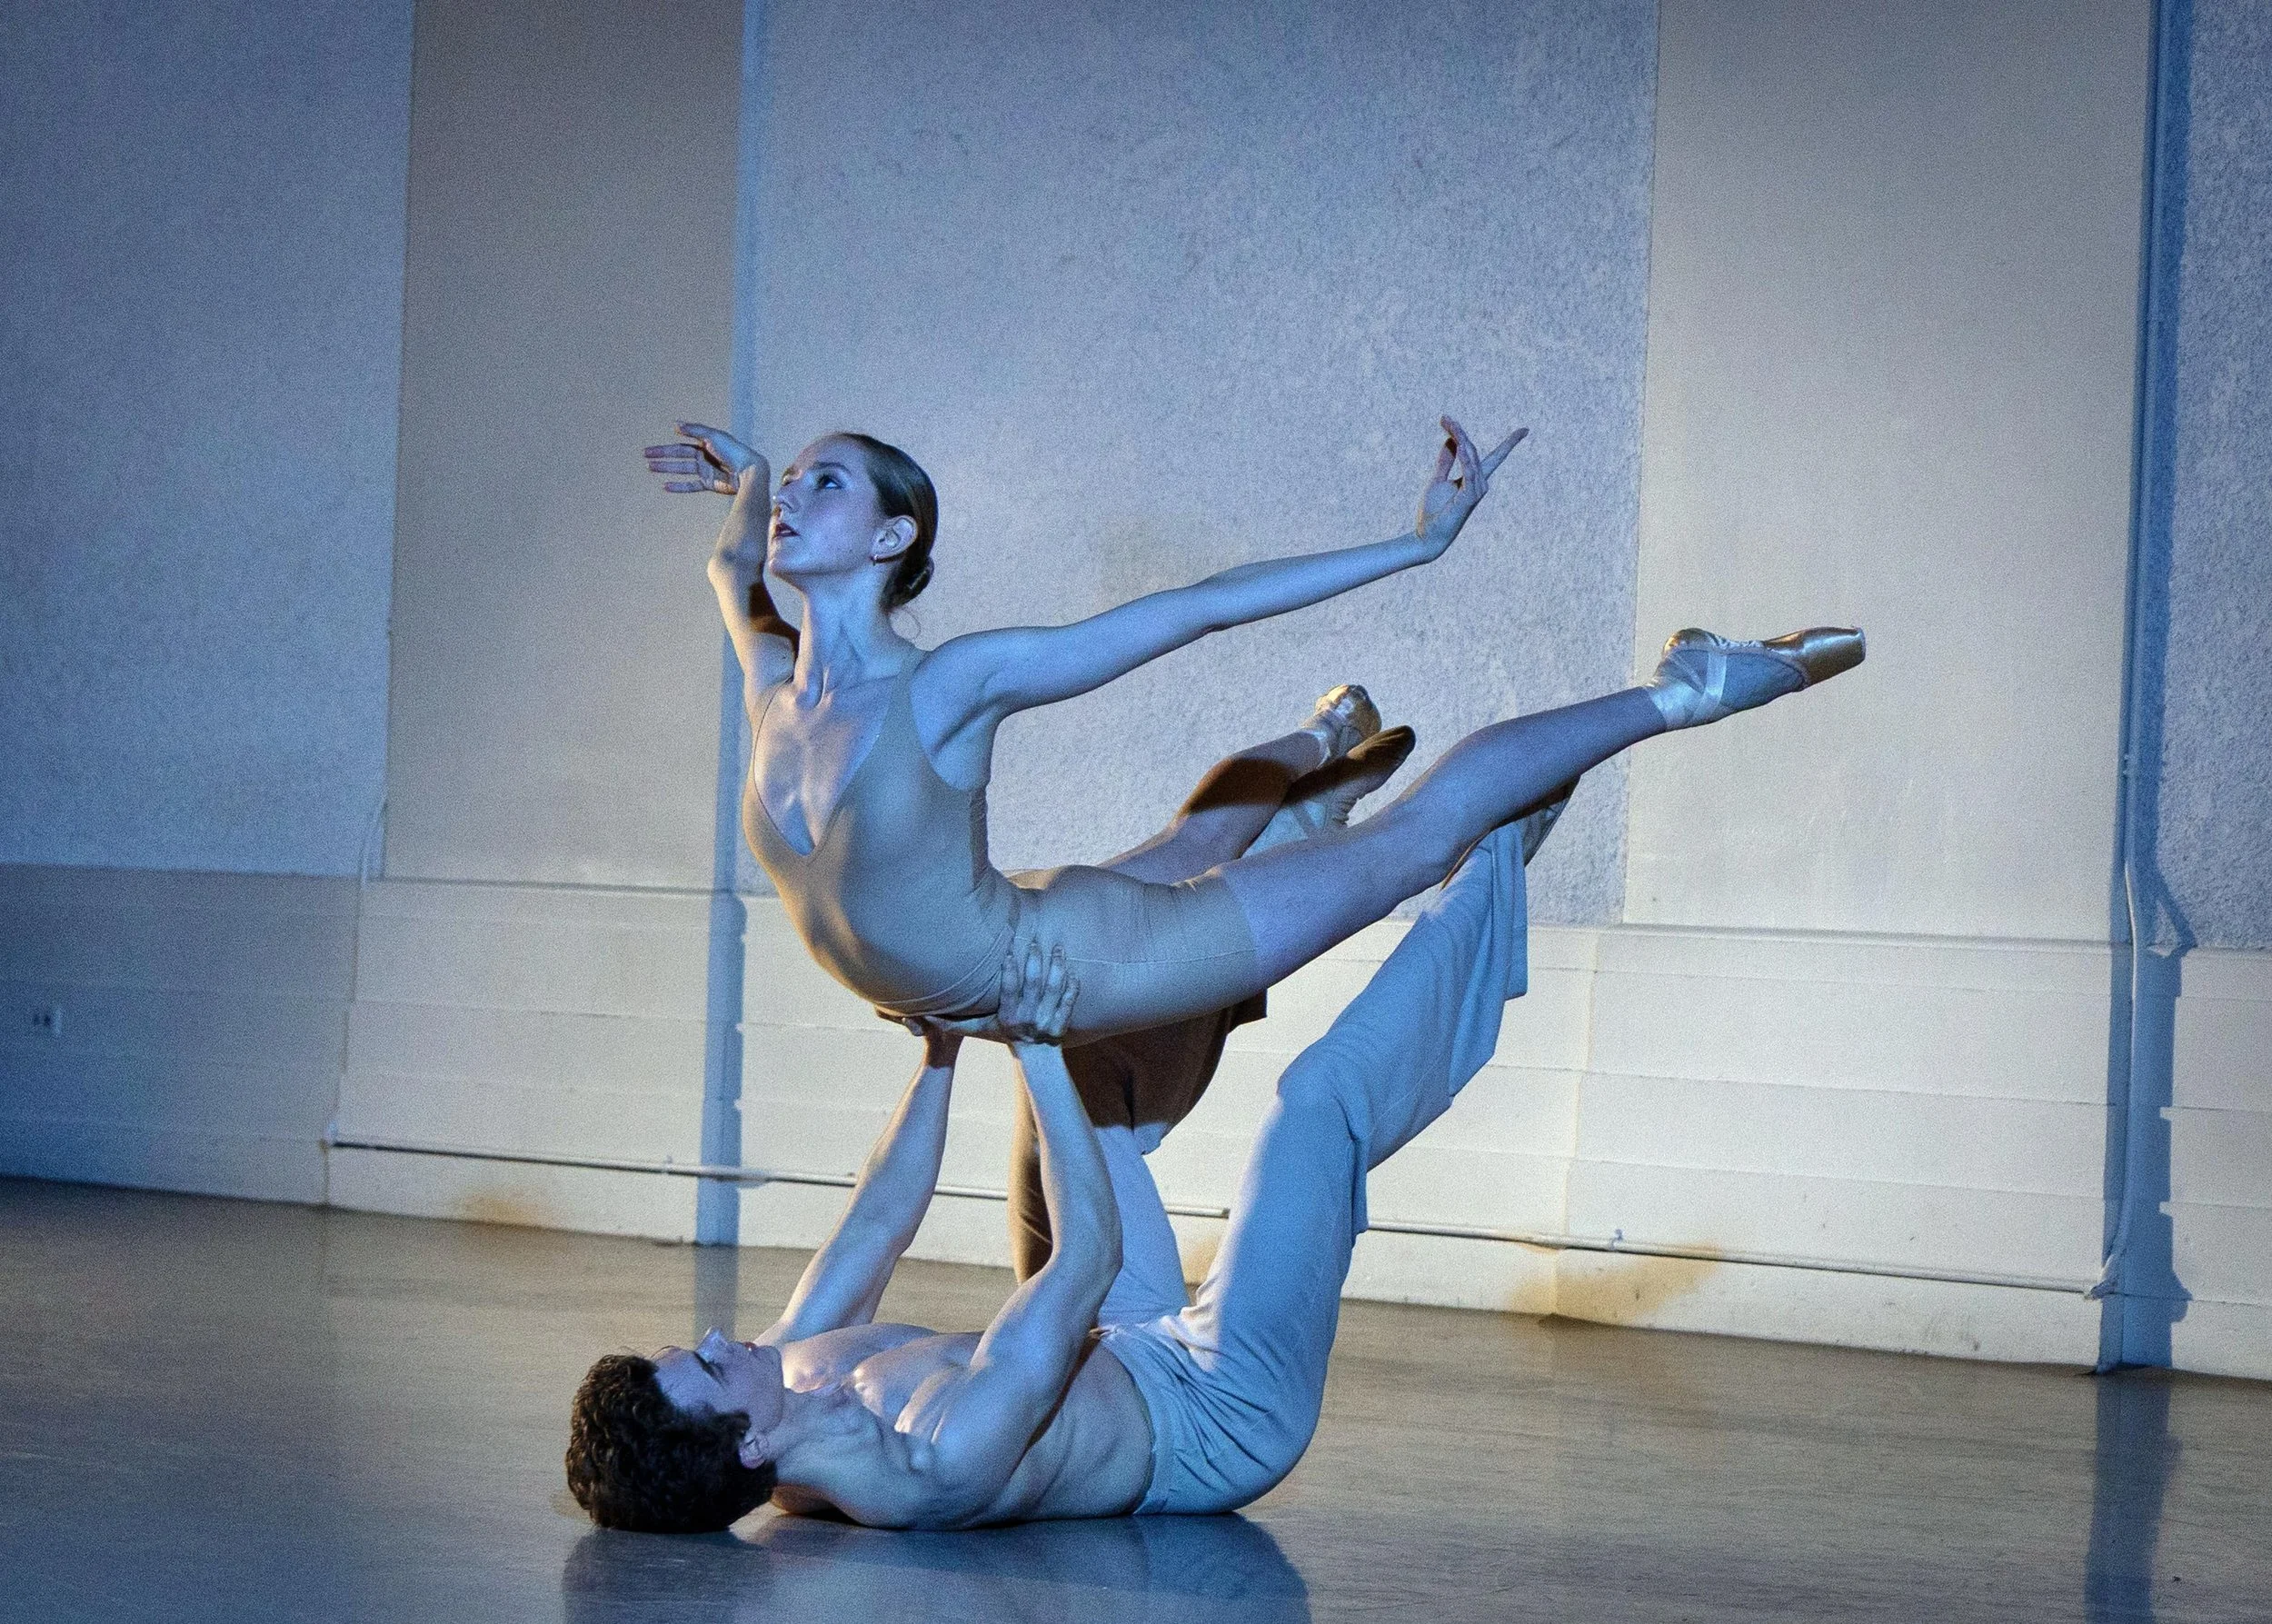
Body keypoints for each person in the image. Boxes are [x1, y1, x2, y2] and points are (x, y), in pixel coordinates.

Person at [642, 420, 1861, 1044]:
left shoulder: (951, 683)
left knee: (1418, 839)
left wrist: (1419, 540)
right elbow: (726, 556)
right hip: (1021, 932)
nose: (790, 498)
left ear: (894, 539)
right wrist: (750, 480)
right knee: (1194, 836)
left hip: (1098, 964)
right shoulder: (771, 687)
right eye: (788, 483)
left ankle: (1687, 690)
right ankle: (1315, 755)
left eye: (825, 482)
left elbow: (1196, 607)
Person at [565, 798, 1571, 1533]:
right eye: (701, 1363)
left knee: (1086, 1061)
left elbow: (878, 1217)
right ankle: (1495, 855)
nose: (708, 1331)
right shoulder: (929, 1462)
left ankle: (1293, 848)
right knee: (1313, 1110)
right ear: (745, 1444)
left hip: (1120, 1338)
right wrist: (1028, 1039)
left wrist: (942, 1048)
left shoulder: (786, 1368)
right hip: (1218, 1407)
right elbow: (1086, 1253)